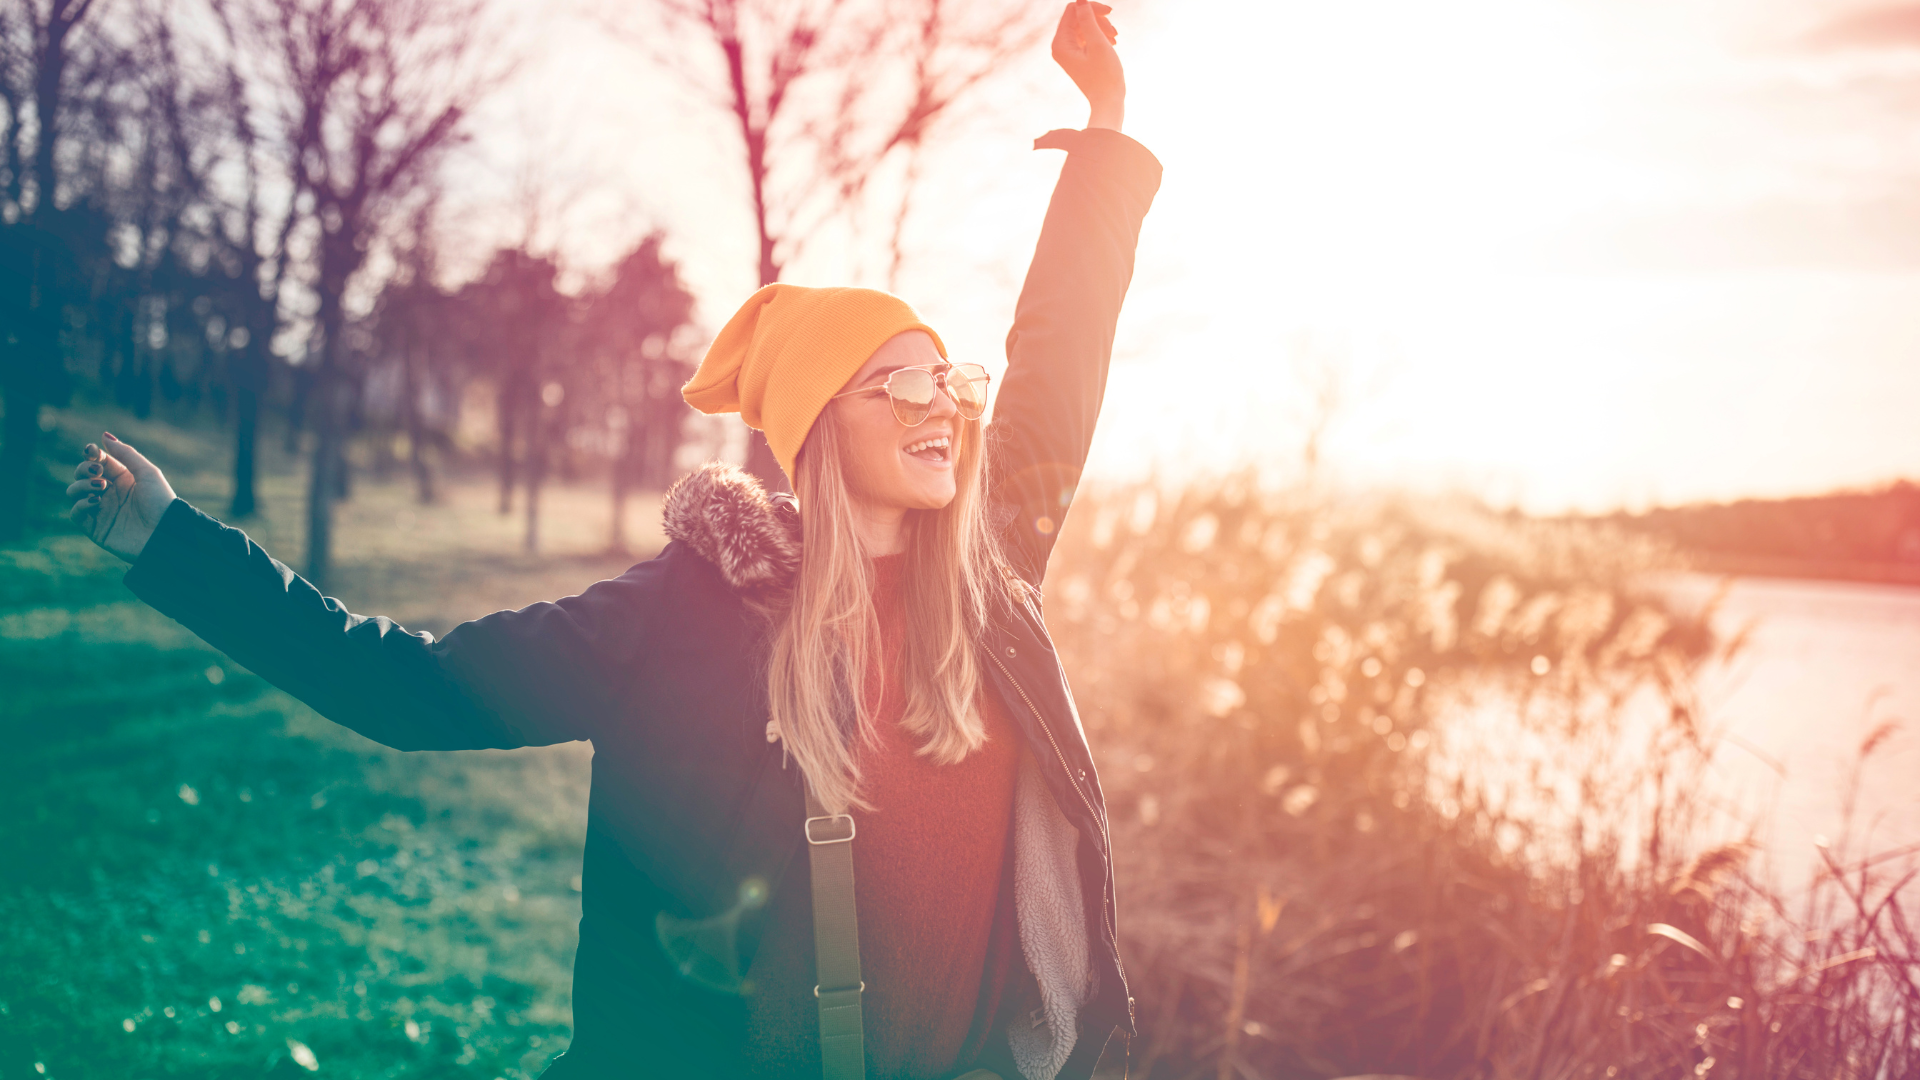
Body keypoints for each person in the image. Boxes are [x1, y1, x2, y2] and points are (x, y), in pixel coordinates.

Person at [64, 4, 1159, 1077]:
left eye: (948, 380)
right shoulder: (687, 618)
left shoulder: (986, 576)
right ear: (822, 425)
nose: (941, 406)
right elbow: (403, 685)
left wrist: (1106, 127)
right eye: (900, 382)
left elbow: (1060, 358)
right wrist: (172, 543)